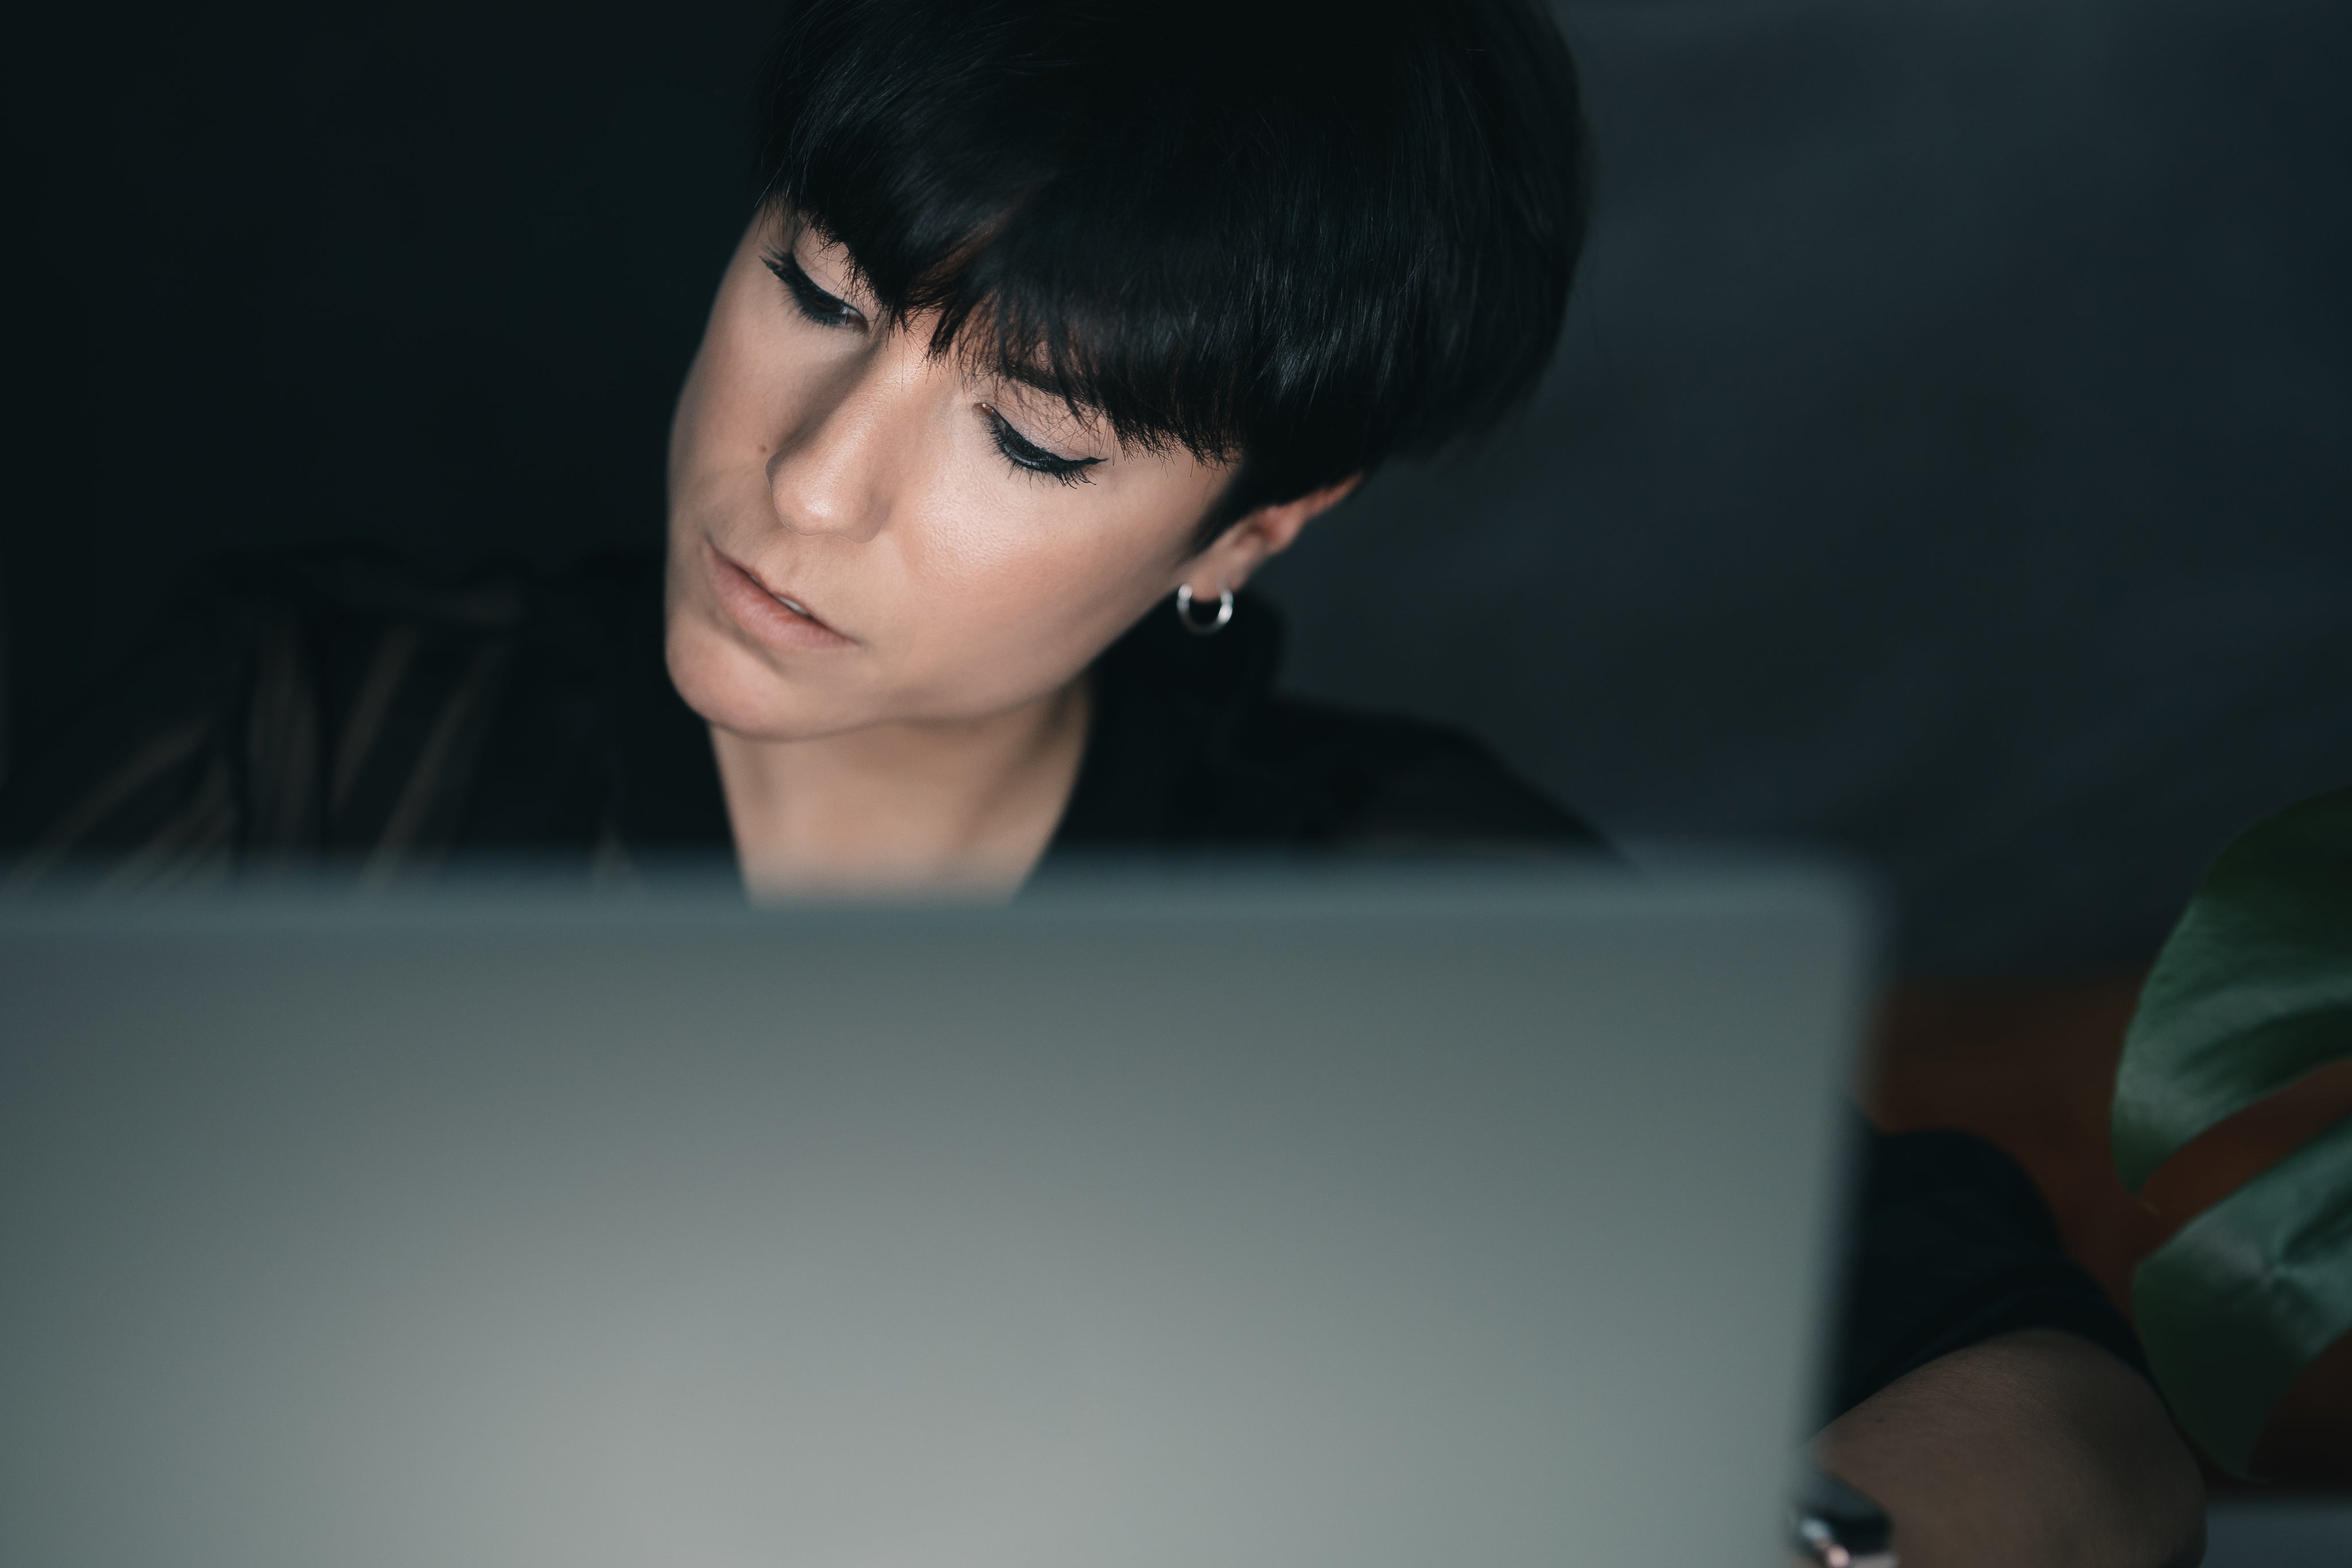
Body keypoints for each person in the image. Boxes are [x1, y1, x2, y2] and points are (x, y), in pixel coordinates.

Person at [0, 1, 2203, 1561]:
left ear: (1254, 526)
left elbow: (2078, 1422)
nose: (808, 481)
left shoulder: (1387, 905)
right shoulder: (299, 737)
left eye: (1031, 437)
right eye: (815, 289)